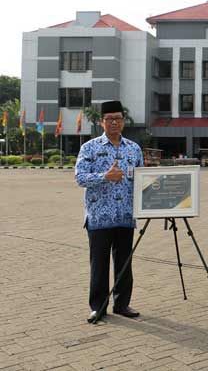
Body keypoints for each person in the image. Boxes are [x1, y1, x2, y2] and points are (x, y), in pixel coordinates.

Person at [75, 100, 143, 323]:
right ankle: (98, 307)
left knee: (124, 263)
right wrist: (105, 176)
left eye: (118, 118)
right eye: (109, 119)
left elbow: (142, 180)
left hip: (125, 217)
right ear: (101, 122)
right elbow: (80, 177)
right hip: (99, 217)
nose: (114, 122)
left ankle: (122, 304)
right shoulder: (89, 148)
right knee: (99, 264)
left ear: (123, 121)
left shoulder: (134, 148)